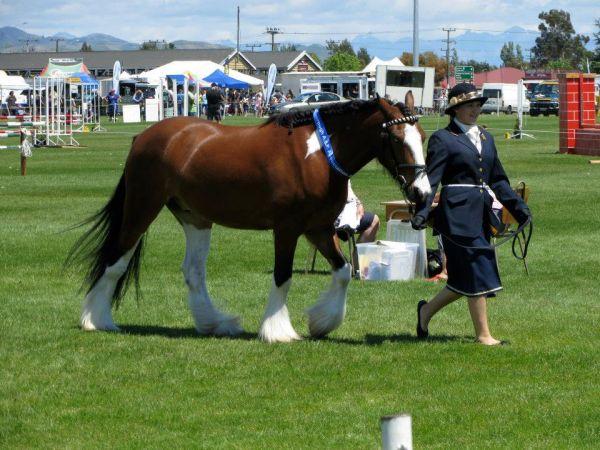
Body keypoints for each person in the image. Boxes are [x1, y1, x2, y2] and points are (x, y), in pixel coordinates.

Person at [411, 83, 531, 346]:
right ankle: (484, 336)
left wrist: (519, 209)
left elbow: (498, 180)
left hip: (481, 214)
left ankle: (426, 312)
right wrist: (421, 212)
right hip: (455, 214)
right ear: (455, 109)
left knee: (463, 278)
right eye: (469, 106)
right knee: (477, 267)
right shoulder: (442, 139)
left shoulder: (486, 138)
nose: (475, 110)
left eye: (478, 106)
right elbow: (431, 181)